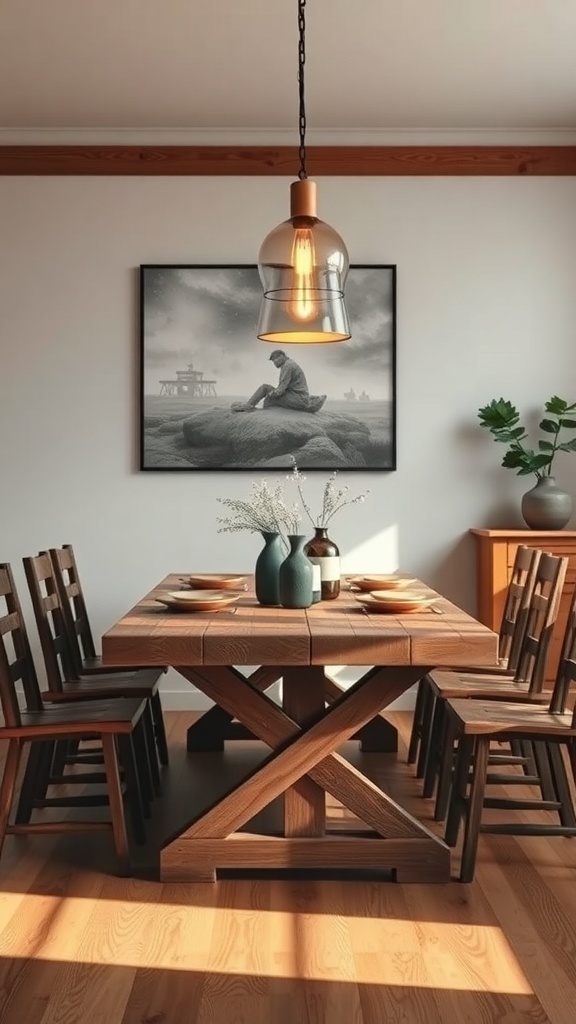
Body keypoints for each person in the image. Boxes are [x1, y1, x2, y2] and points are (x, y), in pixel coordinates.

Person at [231, 350, 326, 413]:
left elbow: (280, 390)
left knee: (265, 388)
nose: (275, 362)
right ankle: (257, 407)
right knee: (270, 396)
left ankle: (249, 405)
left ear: (283, 356)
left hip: (298, 399)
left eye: (276, 359)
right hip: (299, 397)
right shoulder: (290, 364)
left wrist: (269, 395)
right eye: (273, 360)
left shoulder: (287, 366)